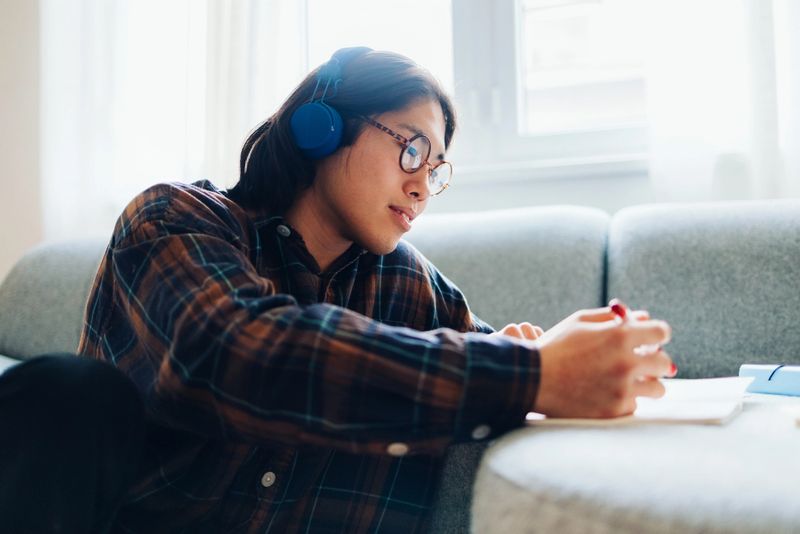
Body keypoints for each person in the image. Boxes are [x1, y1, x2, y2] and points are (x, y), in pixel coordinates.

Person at [74, 47, 674, 532]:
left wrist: (547, 359)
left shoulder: (410, 284)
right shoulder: (171, 220)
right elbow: (241, 354)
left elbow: (506, 362)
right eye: (411, 148)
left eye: (435, 170)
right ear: (321, 127)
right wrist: (530, 371)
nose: (421, 186)